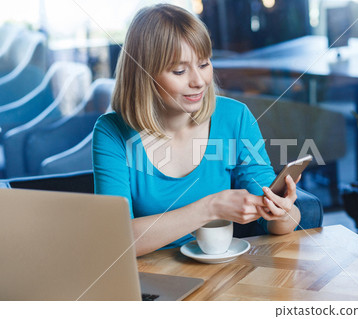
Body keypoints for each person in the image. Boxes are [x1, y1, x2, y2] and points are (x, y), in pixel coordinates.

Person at [92, 4, 301, 257]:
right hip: (151, 282)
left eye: (204, 64)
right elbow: (115, 241)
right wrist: (210, 208)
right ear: (143, 74)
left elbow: (280, 220)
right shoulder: (111, 132)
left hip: (225, 278)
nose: (199, 81)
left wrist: (284, 210)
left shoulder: (235, 117)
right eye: (179, 70)